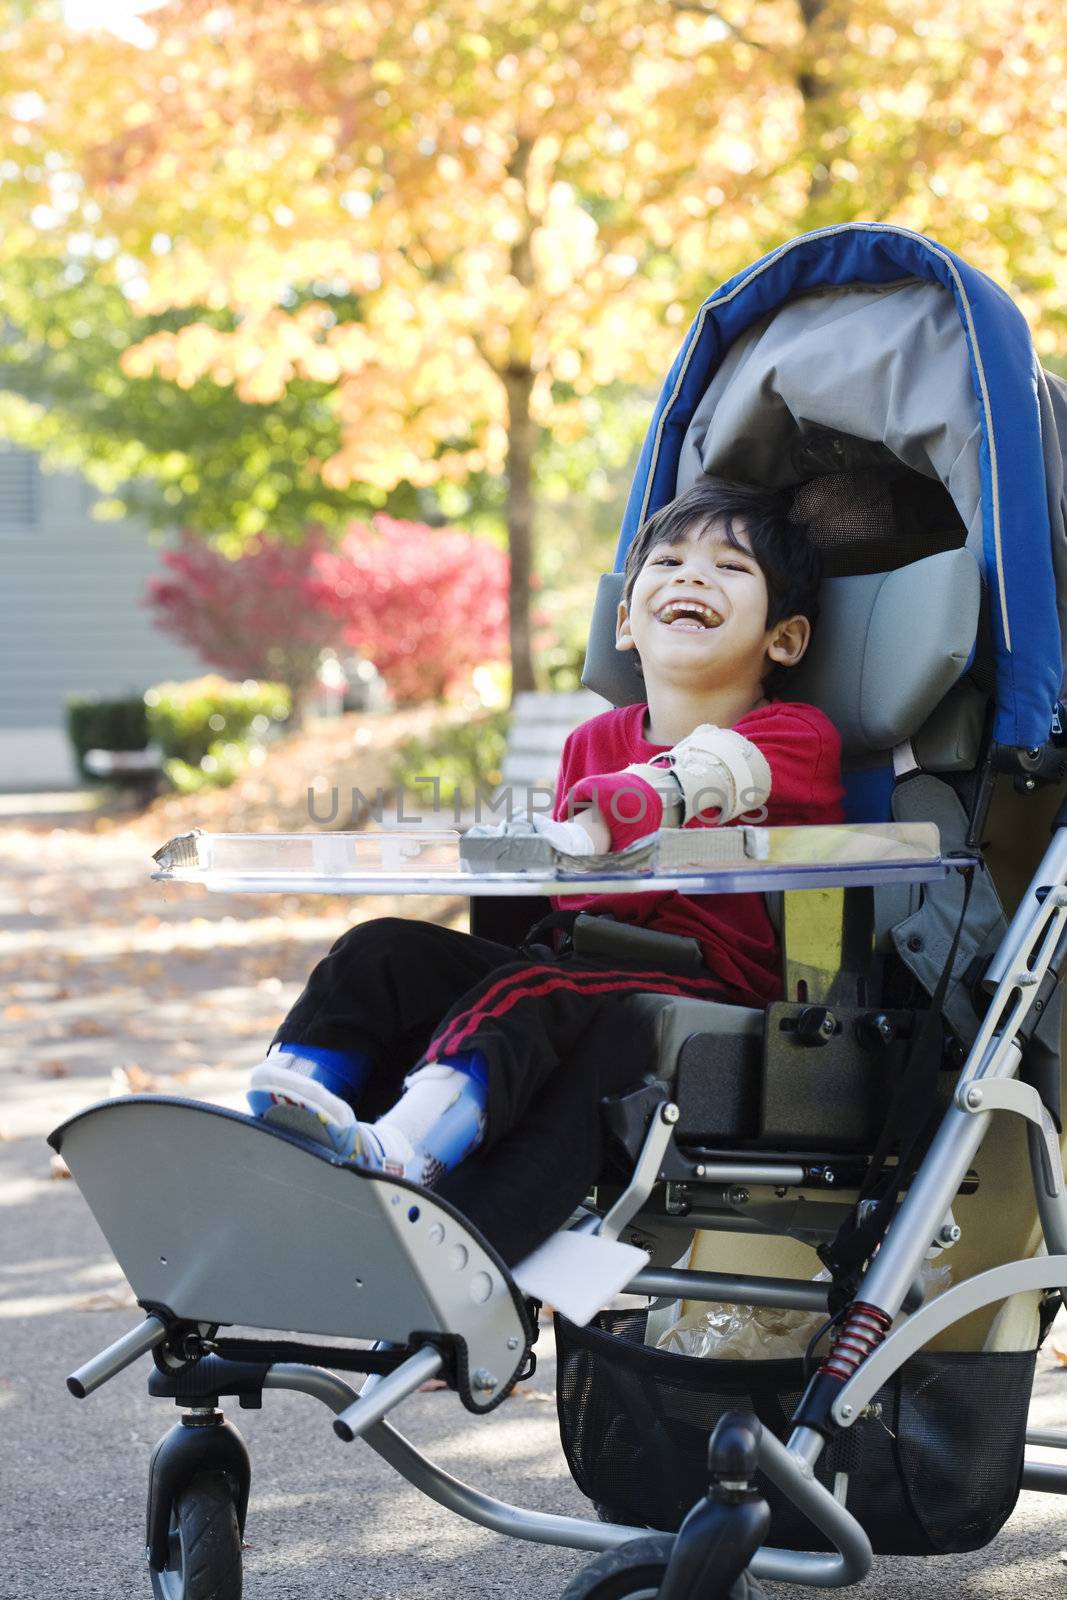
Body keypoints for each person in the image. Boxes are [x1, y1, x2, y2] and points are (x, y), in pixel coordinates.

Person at [246, 476, 843, 1263]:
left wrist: (626, 805)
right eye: (666, 562)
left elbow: (710, 771)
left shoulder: (793, 735)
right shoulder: (590, 743)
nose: (693, 576)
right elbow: (563, 890)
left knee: (532, 987)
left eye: (731, 569)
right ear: (624, 621)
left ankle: (407, 1152)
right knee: (382, 949)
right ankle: (282, 1115)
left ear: (784, 639)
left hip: (713, 988)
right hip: (584, 962)